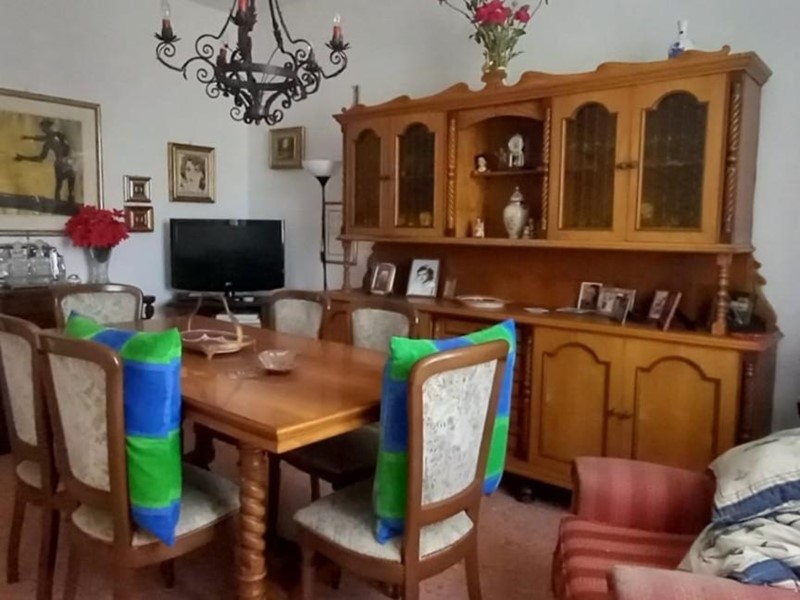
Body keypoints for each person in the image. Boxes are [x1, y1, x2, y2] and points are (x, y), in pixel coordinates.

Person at [15, 118, 77, 203]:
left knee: (66, 189)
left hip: (66, 164)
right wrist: (23, 157)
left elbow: (45, 140)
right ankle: (61, 204)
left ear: (50, 126)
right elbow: (41, 157)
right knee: (61, 188)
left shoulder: (57, 136)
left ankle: (66, 203)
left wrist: (29, 139)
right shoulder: (51, 141)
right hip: (64, 164)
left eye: (44, 128)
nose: (43, 130)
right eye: (43, 129)